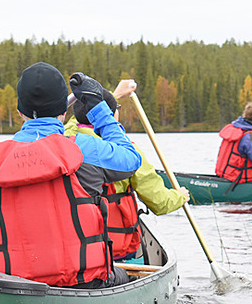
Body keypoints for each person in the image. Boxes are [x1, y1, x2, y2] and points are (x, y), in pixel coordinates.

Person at [0, 62, 142, 288]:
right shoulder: (85, 149)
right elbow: (131, 159)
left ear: (20, 112)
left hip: (13, 287)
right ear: (64, 110)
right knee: (122, 276)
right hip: (84, 284)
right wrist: (99, 109)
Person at [64, 79, 190, 261]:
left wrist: (113, 96)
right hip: (117, 250)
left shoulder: (65, 139)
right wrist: (180, 196)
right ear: (111, 114)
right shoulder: (127, 152)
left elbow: (81, 118)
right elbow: (160, 203)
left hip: (78, 247)